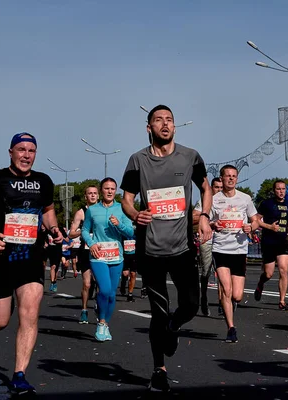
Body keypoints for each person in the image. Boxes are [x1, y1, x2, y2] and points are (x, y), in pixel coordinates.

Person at [121, 104, 212, 392]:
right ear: (149, 128)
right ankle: (159, 369)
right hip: (151, 250)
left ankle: (174, 326)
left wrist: (205, 217)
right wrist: (136, 214)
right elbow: (127, 199)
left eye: (169, 120)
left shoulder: (190, 157)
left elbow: (206, 188)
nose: (165, 124)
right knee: (158, 312)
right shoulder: (138, 160)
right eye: (158, 120)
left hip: (183, 247)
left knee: (191, 306)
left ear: (175, 126)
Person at [0, 132, 63, 395]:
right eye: (21, 149)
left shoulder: (44, 181)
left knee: (30, 309)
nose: (26, 155)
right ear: (11, 152)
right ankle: (7, 301)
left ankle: (19, 375)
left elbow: (48, 210)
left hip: (30, 256)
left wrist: (53, 229)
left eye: (31, 150)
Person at [209, 165, 259, 342]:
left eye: (234, 176)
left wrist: (250, 227)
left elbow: (255, 220)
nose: (231, 179)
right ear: (221, 179)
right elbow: (204, 220)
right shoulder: (214, 199)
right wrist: (213, 225)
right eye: (227, 176)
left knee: (237, 295)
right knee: (227, 289)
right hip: (220, 249)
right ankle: (231, 327)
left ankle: (229, 304)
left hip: (239, 250)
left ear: (237, 179)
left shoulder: (245, 198)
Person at [82, 177, 134, 341]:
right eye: (106, 188)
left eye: (112, 189)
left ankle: (105, 324)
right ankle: (101, 321)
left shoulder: (122, 209)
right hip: (98, 255)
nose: (110, 191)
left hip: (116, 256)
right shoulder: (92, 209)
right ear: (101, 190)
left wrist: (119, 224)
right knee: (104, 290)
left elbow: (131, 233)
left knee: (111, 294)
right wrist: (91, 244)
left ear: (116, 191)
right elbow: (84, 230)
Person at [254, 180, 288, 311]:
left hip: (282, 241)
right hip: (268, 241)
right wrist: (269, 226)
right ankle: (261, 283)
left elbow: (287, 217)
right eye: (278, 189)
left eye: (283, 189)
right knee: (268, 274)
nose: (281, 191)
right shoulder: (267, 204)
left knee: (284, 269)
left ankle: (282, 301)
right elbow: (256, 220)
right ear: (274, 190)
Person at [192, 177, 223, 316]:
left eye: (221, 188)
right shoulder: (205, 201)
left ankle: (223, 302)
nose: (219, 190)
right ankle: (203, 297)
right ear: (211, 188)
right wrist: (208, 222)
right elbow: (193, 218)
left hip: (224, 241)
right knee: (206, 272)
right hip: (207, 239)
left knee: (222, 272)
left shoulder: (229, 202)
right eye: (216, 187)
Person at [69, 185, 99, 324]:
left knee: (100, 283)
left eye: (95, 193)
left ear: (98, 196)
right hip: (85, 251)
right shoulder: (81, 213)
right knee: (87, 284)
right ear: (85, 196)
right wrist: (83, 231)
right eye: (90, 193)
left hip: (100, 251)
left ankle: (100, 307)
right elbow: (71, 233)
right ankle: (84, 310)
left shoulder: (103, 210)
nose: (92, 195)